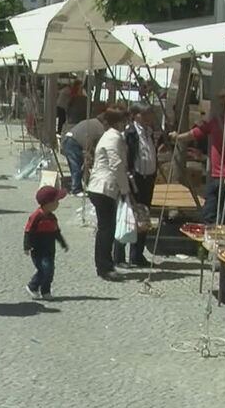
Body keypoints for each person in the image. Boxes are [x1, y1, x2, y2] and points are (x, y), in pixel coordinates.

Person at [170, 88, 225, 225]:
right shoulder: (217, 121)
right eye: (221, 98)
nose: (223, 101)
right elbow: (197, 132)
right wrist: (179, 137)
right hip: (215, 177)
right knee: (208, 216)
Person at [86, 107, 131, 280]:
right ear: (119, 122)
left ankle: (106, 263)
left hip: (101, 186)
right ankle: (104, 266)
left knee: (106, 228)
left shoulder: (110, 135)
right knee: (106, 229)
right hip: (104, 187)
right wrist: (125, 188)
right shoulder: (114, 137)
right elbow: (116, 164)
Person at [114, 103, 158, 268]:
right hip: (134, 179)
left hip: (148, 179)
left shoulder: (149, 132)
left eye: (149, 113)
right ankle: (119, 255)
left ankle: (137, 255)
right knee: (128, 215)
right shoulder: (129, 133)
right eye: (144, 114)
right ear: (135, 115)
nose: (147, 117)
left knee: (143, 217)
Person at [23, 185, 69, 300]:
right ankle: (32, 286)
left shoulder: (52, 217)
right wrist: (27, 246)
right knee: (44, 269)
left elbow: (56, 232)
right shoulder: (36, 216)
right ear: (48, 203)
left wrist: (62, 243)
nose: (58, 204)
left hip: (49, 249)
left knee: (50, 270)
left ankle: (46, 290)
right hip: (38, 249)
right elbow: (28, 231)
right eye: (56, 201)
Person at [60, 113, 107, 196]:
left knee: (78, 166)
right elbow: (95, 143)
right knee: (76, 167)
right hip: (73, 142)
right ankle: (76, 190)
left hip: (70, 140)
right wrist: (90, 155)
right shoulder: (100, 128)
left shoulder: (92, 122)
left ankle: (78, 187)